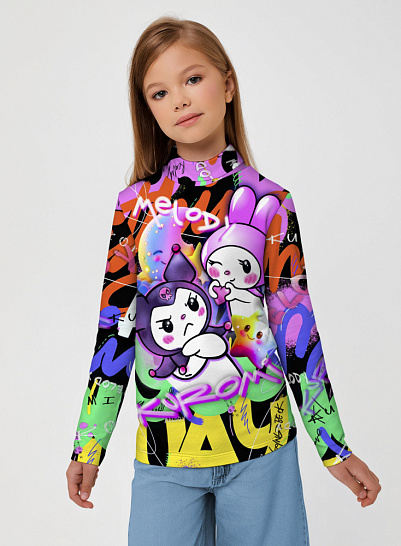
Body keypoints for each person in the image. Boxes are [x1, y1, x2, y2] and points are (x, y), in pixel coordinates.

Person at [66, 15, 381, 545]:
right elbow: (115, 331)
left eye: (193, 79)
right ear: (149, 110)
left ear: (228, 84)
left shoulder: (272, 204)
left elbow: (296, 332)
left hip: (263, 450)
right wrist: (88, 444)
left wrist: (334, 447)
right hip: (166, 452)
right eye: (160, 93)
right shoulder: (134, 209)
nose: (180, 100)